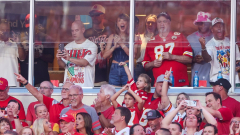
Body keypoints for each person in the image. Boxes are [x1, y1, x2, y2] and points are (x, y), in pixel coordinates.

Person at [142, 12, 193, 87]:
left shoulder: (179, 37)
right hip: (159, 85)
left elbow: (189, 59)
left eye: (164, 21)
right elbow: (145, 65)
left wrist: (172, 57)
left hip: (180, 83)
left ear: (169, 23)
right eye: (159, 22)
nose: (162, 24)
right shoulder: (151, 41)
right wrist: (152, 64)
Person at [56, 20, 97, 87]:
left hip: (85, 87)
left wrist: (69, 58)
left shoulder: (91, 46)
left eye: (76, 30)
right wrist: (59, 59)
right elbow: (63, 65)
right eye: (72, 31)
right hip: (69, 87)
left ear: (83, 30)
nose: (74, 33)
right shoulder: (68, 47)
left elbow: (85, 62)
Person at [200, 17, 240, 85]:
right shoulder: (210, 44)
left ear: (224, 28)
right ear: (212, 30)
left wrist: (238, 66)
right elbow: (207, 59)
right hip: (217, 79)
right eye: (216, 26)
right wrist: (203, 47)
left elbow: (238, 60)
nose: (219, 28)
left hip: (233, 79)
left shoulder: (231, 42)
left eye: (221, 26)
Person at [20, 14, 54, 87]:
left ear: (37, 25)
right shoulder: (21, 38)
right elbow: (19, 58)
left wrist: (40, 55)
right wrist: (25, 54)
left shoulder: (45, 38)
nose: (30, 29)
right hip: (25, 76)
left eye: (32, 26)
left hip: (41, 77)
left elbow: (51, 58)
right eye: (28, 27)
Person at [84, 4, 112, 86]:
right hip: (90, 73)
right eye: (92, 15)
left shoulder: (109, 32)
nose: (94, 17)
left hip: (106, 74)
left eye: (97, 15)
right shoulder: (86, 33)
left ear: (103, 16)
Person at [103, 13, 130, 87]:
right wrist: (114, 47)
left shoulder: (132, 37)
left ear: (128, 23)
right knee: (113, 93)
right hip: (114, 67)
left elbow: (133, 55)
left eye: (124, 20)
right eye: (119, 20)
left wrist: (122, 44)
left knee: (128, 93)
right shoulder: (112, 37)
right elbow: (105, 56)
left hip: (127, 67)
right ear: (117, 24)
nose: (122, 22)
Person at [187, 11, 213, 87]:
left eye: (206, 23)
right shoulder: (190, 38)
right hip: (197, 78)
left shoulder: (215, 38)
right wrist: (194, 59)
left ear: (209, 24)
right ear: (197, 24)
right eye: (200, 23)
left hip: (213, 77)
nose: (203, 25)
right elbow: (185, 59)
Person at [0, 22, 26, 87]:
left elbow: (22, 58)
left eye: (7, 30)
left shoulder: (14, 44)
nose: (5, 32)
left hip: (12, 82)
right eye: (3, 30)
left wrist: (18, 43)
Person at [135, 14, 157, 86]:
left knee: (152, 88)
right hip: (141, 66)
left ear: (156, 24)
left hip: (154, 66)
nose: (150, 24)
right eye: (148, 22)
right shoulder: (140, 37)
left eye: (152, 23)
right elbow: (136, 56)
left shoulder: (158, 38)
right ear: (145, 24)